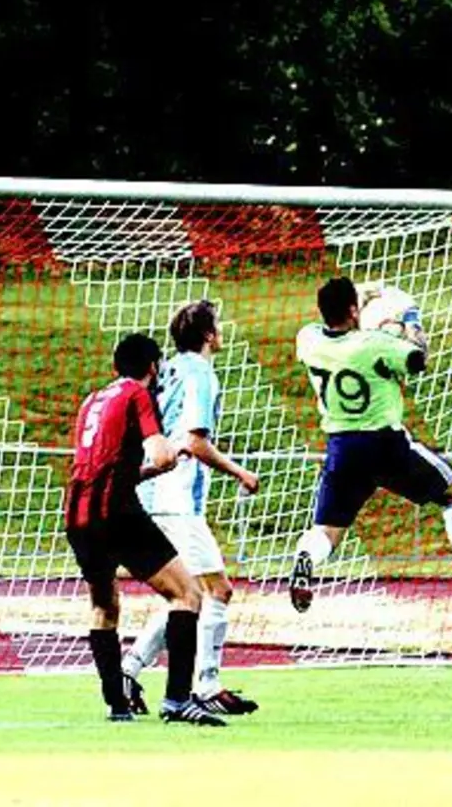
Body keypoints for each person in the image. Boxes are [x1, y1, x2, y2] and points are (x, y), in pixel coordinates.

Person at [289, 277, 452, 612]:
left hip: (341, 447)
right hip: (385, 444)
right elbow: (418, 359)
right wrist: (408, 322)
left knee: (327, 529)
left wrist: (361, 301)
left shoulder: (309, 339)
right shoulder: (376, 343)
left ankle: (305, 560)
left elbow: (340, 326)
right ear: (352, 309)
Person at [65, 333, 223, 726]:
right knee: (187, 593)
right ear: (153, 367)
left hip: (77, 514)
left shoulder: (92, 401)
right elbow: (160, 451)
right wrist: (172, 456)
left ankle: (117, 705)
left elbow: (107, 467)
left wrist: (155, 466)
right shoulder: (138, 394)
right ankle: (178, 700)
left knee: (104, 606)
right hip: (117, 512)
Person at [122, 301, 261, 716]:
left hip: (152, 493)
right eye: (217, 325)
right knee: (216, 590)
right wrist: (240, 473)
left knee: (186, 594)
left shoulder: (167, 371)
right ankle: (206, 684)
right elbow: (196, 442)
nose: (221, 333)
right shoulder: (201, 373)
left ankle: (130, 669)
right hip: (175, 498)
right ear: (208, 335)